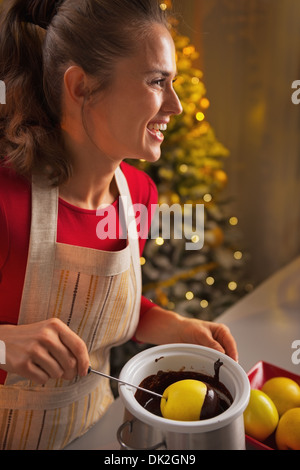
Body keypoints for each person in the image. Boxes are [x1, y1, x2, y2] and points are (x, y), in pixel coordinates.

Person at [0, 0, 238, 450]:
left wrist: (167, 324)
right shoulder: (6, 201)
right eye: (156, 82)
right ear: (81, 87)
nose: (177, 104)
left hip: (101, 434)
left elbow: (101, 308)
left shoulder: (140, 195)